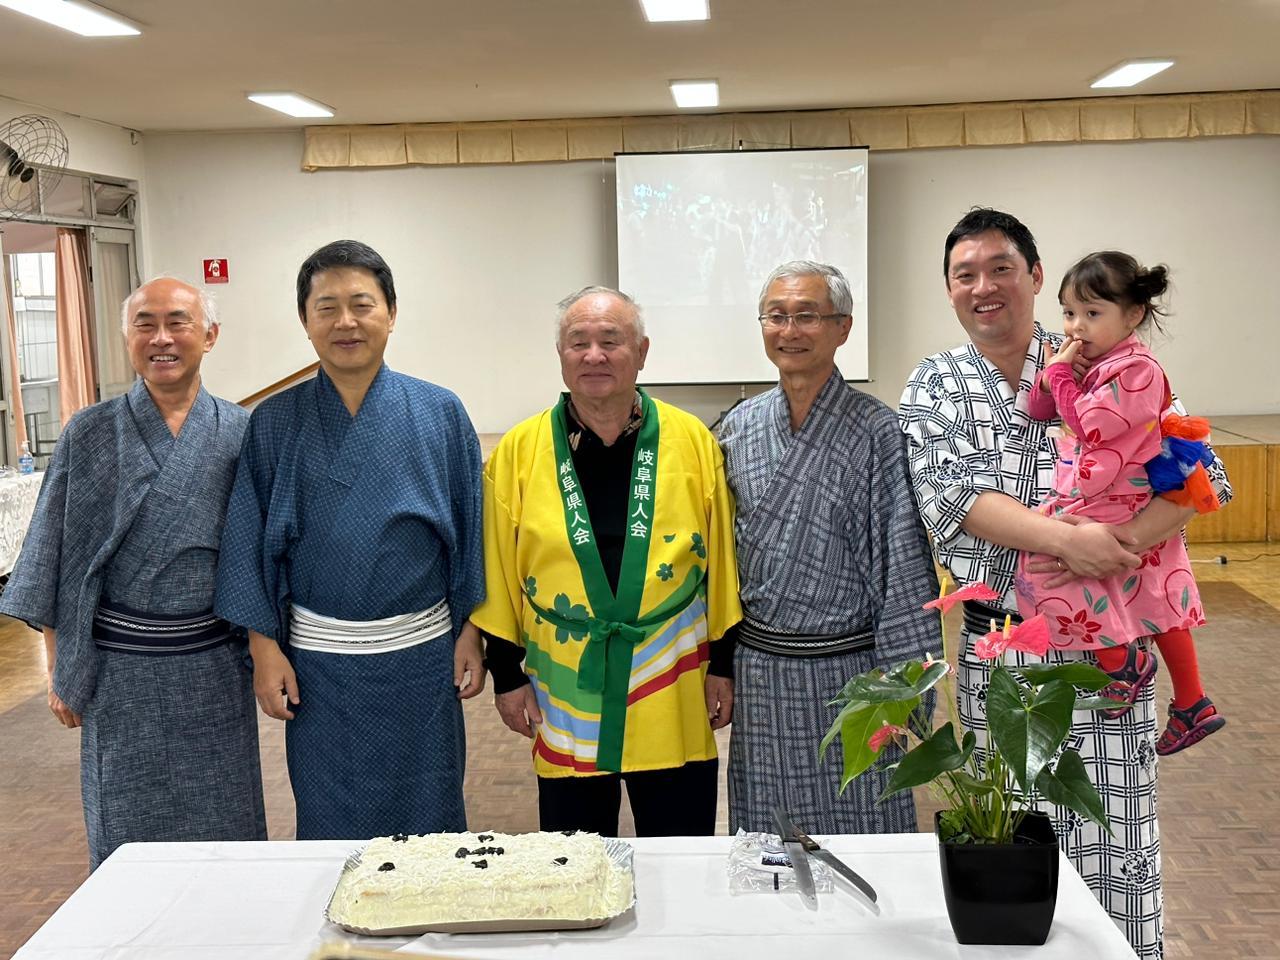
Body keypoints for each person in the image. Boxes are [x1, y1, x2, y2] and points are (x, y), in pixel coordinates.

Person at [899, 209, 1231, 959]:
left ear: (1038, 276)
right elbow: (951, 498)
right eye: (965, 274)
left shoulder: (1112, 350)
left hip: (1111, 651)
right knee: (1011, 853)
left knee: (1116, 843)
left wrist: (1124, 545)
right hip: (1004, 651)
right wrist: (1072, 544)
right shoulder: (936, 383)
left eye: (1002, 268)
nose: (984, 287)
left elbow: (1200, 469)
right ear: (950, 290)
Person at [213, 240, 485, 841]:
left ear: (391, 312)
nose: (346, 322)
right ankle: (342, 931)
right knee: (330, 816)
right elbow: (249, 542)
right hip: (318, 668)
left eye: (361, 304)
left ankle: (431, 930)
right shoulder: (275, 421)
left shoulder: (440, 412)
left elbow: (473, 534)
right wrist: (264, 650)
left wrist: (470, 633)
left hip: (421, 660)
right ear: (305, 321)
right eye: (326, 307)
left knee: (431, 816)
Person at [0, 277, 266, 869]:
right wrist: (60, 666)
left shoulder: (242, 432)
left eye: (179, 322)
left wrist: (264, 654)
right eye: (145, 323)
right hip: (119, 676)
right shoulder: (90, 432)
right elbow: (55, 556)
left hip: (213, 670)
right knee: (126, 835)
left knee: (226, 834)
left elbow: (259, 559)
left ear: (211, 336)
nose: (162, 338)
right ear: (127, 337)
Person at [471, 286, 740, 837]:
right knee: (576, 855)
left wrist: (724, 665)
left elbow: (725, 565)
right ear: (561, 356)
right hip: (565, 686)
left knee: (680, 845)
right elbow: (496, 571)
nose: (594, 355)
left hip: (671, 675)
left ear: (641, 352)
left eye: (611, 341)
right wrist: (506, 676)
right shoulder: (518, 453)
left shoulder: (693, 442)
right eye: (579, 343)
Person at [719, 261, 939, 836]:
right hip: (762, 671)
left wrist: (902, 687)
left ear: (842, 328)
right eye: (776, 316)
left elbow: (905, 569)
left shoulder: (878, 433)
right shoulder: (737, 429)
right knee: (770, 840)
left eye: (806, 316)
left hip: (853, 676)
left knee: (864, 823)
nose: (788, 330)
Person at [1017, 251, 1225, 755]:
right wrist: (1056, 372)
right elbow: (1040, 408)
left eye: (1092, 314)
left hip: (1115, 499)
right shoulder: (1099, 361)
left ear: (1132, 316)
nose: (1077, 326)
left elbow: (1090, 425)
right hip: (1122, 496)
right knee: (1157, 600)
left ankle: (1121, 664)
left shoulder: (1137, 369)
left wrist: (1065, 377)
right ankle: (1193, 703)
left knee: (1046, 569)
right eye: (1069, 313)